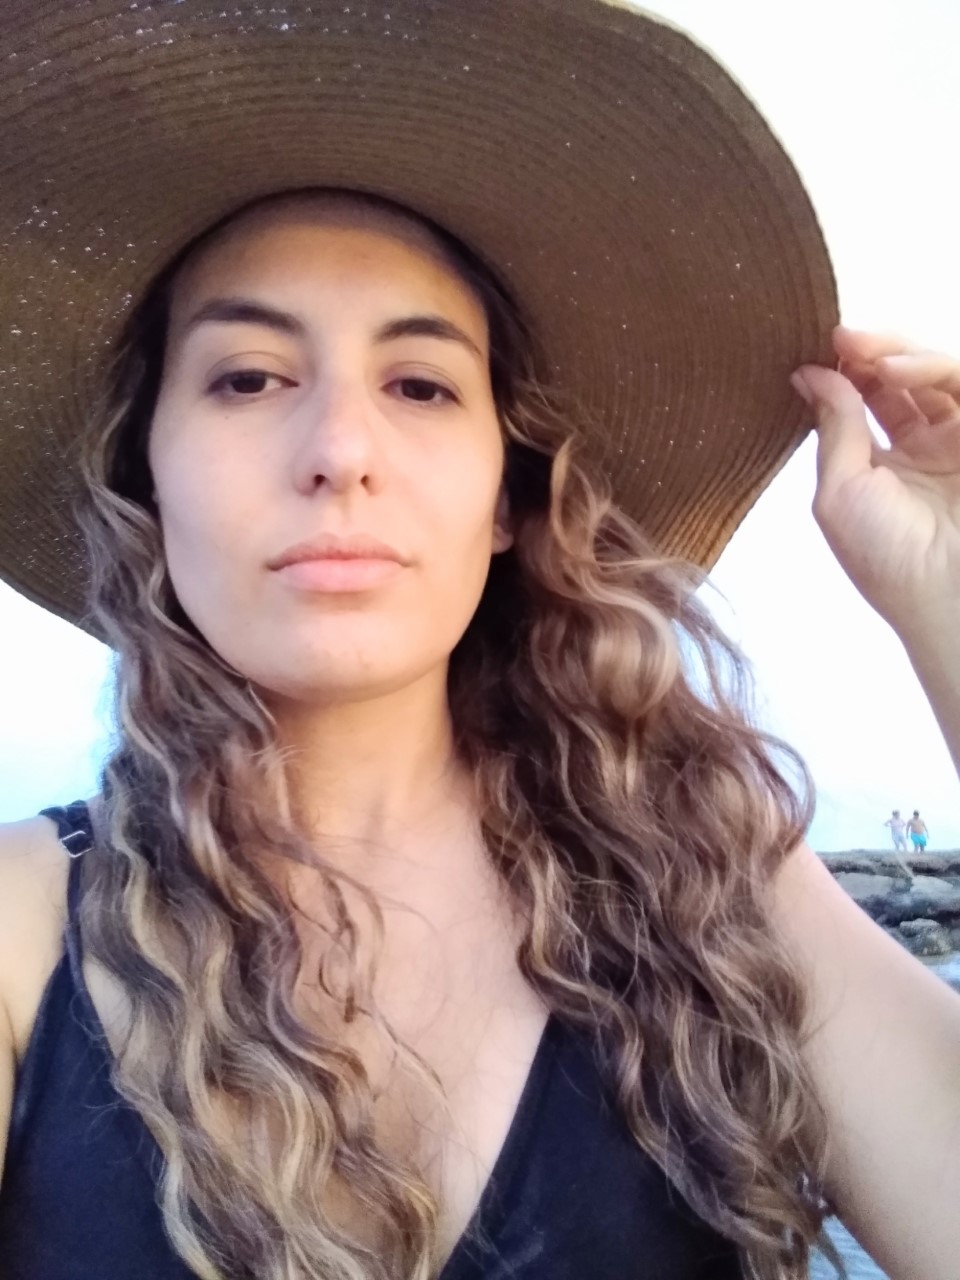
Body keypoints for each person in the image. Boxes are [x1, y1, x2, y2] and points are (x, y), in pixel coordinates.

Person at [0, 4, 958, 1280]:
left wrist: (947, 594)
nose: (340, 449)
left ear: (508, 497)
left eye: (421, 384)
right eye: (247, 377)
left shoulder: (713, 885)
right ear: (147, 474)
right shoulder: (22, 929)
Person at [882, 809, 914, 882]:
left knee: (905, 844)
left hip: (900, 834)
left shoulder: (900, 819)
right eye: (897, 814)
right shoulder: (891, 820)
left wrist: (902, 826)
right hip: (894, 835)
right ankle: (897, 855)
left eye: (899, 814)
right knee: (897, 845)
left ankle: (906, 855)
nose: (898, 815)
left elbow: (904, 823)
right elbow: (885, 824)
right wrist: (888, 825)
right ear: (894, 814)